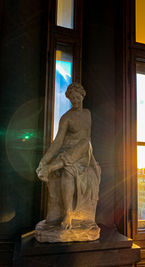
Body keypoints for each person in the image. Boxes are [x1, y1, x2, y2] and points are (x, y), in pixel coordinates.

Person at [36, 83, 101, 230]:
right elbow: (58, 142)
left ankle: (50, 168)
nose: (75, 101)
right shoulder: (66, 118)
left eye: (77, 98)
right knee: (67, 172)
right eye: (72, 99)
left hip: (84, 154)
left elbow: (87, 140)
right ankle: (68, 213)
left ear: (82, 95)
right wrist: (44, 160)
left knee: (85, 142)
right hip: (67, 155)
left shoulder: (88, 114)